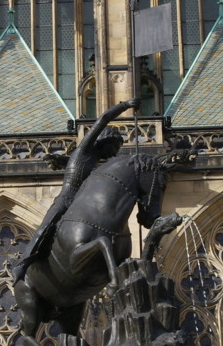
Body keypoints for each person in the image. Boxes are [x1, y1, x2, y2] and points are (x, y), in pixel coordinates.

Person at [13, 97, 139, 282]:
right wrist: (125, 105)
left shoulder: (95, 165)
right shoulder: (84, 151)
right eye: (114, 147)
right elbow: (103, 118)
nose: (114, 152)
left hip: (82, 203)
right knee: (44, 229)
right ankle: (22, 265)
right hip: (67, 198)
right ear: (105, 140)